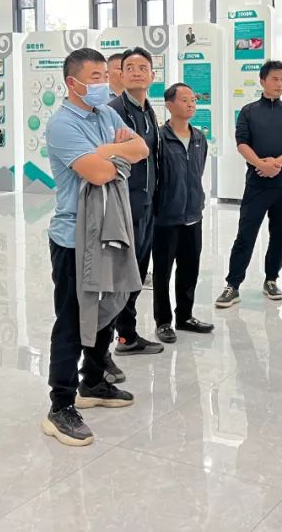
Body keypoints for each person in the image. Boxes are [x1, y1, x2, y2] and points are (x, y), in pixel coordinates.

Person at [44, 48, 149, 446]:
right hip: (75, 237)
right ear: (72, 83)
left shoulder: (106, 114)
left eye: (106, 74)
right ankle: (61, 404)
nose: (104, 81)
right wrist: (115, 154)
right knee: (73, 319)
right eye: (95, 76)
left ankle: (93, 382)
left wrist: (107, 152)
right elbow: (101, 173)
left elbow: (142, 150)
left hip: (111, 226)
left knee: (112, 303)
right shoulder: (62, 125)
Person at [216, 60, 282, 307]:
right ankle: (232, 285)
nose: (280, 84)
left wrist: (276, 163)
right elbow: (242, 142)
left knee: (279, 234)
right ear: (262, 81)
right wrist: (260, 164)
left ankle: (271, 279)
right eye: (275, 79)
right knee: (245, 235)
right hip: (257, 183)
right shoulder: (248, 111)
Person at [107, 48, 165, 356]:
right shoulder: (113, 110)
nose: (137, 72)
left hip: (147, 204)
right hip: (124, 203)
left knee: (138, 272)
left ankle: (127, 333)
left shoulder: (147, 110)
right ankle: (122, 337)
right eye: (130, 67)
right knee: (123, 273)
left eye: (143, 68)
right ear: (120, 74)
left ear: (152, 75)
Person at [152, 83, 213, 342]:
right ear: (169, 105)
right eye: (185, 100)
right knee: (163, 272)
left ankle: (185, 316)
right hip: (166, 217)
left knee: (190, 268)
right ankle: (163, 321)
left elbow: (197, 172)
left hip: (193, 215)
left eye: (193, 100)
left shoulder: (199, 138)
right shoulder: (158, 138)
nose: (191, 104)